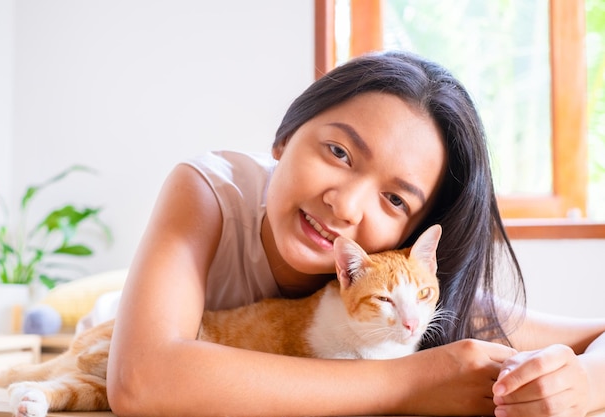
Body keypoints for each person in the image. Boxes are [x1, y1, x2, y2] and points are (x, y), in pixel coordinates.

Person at [106, 51, 605, 417]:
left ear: (410, 236)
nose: (344, 205)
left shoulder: (408, 289)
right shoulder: (210, 191)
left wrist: (584, 381)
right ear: (285, 135)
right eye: (340, 153)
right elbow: (140, 382)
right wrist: (407, 382)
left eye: (395, 200)